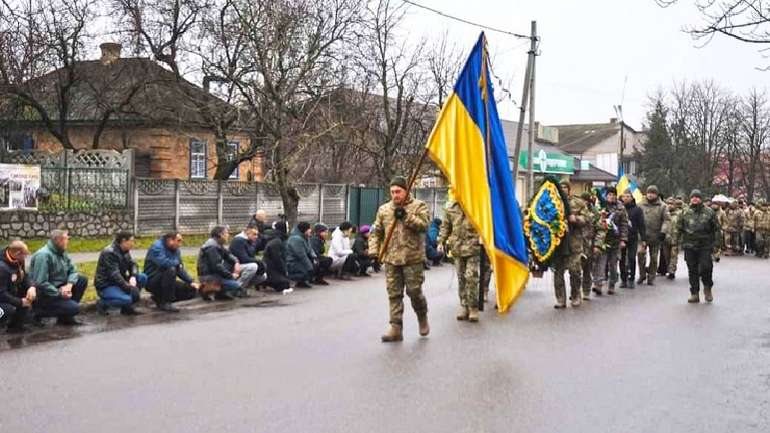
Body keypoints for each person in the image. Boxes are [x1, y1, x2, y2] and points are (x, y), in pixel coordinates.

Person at [369, 176, 430, 342]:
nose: (395, 195)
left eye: (398, 191)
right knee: (394, 294)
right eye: (392, 192)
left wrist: (406, 217)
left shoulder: (419, 206)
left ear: (406, 191)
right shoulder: (384, 210)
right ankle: (396, 327)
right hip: (391, 259)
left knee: (414, 292)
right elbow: (376, 232)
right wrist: (374, 252)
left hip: (412, 258)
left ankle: (422, 316)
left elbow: (424, 226)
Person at [29, 230, 88, 326]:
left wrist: (69, 286)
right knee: (74, 308)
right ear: (58, 240)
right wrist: (59, 293)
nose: (68, 241)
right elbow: (41, 282)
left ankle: (65, 317)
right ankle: (37, 312)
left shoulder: (61, 252)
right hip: (45, 295)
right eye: (66, 239)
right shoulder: (43, 256)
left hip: (60, 288)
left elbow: (73, 270)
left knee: (82, 280)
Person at [437, 199, 483, 322]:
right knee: (461, 278)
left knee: (471, 277)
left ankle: (473, 307)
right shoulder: (450, 207)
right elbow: (445, 226)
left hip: (473, 246)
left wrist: (484, 237)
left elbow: (485, 223)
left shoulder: (477, 204)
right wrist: (441, 241)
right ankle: (464, 306)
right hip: (457, 247)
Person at [552, 180, 592, 308]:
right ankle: (560, 299)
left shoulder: (578, 202)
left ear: (569, 189)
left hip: (574, 242)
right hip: (558, 243)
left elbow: (588, 218)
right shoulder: (552, 202)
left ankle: (576, 296)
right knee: (558, 272)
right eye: (561, 187)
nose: (563, 189)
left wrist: (577, 219)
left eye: (565, 187)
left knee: (575, 271)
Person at [677, 190, 721, 303]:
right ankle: (694, 293)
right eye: (693, 197)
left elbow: (716, 229)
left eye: (697, 197)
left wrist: (717, 244)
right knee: (692, 270)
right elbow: (678, 228)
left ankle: (707, 287)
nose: (695, 199)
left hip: (705, 245)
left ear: (701, 199)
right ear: (690, 199)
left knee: (706, 267)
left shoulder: (709, 212)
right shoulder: (684, 212)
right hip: (689, 246)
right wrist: (675, 242)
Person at [144, 232, 199, 313]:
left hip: (167, 280)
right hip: (152, 280)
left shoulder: (176, 250)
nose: (180, 244)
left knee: (191, 290)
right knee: (171, 270)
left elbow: (180, 269)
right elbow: (163, 263)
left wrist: (191, 281)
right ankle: (166, 302)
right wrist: (177, 264)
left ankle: (159, 298)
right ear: (170, 240)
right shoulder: (157, 247)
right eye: (178, 241)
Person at [94, 231, 146, 315]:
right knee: (126, 299)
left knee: (142, 277)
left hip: (119, 281)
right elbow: (114, 274)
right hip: (107, 285)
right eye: (131, 241)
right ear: (123, 241)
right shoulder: (110, 253)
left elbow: (133, 264)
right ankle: (103, 303)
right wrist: (130, 288)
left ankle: (127, 307)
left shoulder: (125, 250)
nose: (133, 244)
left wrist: (133, 276)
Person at [593, 187, 628, 296]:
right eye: (609, 195)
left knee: (613, 265)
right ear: (606, 196)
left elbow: (624, 224)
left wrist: (623, 240)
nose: (611, 197)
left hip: (615, 241)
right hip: (603, 240)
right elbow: (595, 222)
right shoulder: (601, 206)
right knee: (601, 264)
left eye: (613, 195)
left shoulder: (621, 208)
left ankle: (612, 285)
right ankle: (598, 285)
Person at [197, 225, 243, 301]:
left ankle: (220, 292)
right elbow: (216, 266)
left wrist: (236, 262)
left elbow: (229, 255)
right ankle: (205, 289)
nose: (228, 235)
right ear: (220, 235)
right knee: (235, 285)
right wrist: (230, 275)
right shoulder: (212, 247)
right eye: (226, 233)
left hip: (214, 273)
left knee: (233, 270)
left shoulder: (218, 245)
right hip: (208, 275)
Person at [0, 240, 37, 333]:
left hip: (10, 292)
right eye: (25, 254)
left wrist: (31, 287)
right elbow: (1, 294)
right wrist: (20, 302)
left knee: (32, 294)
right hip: (2, 298)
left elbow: (24, 276)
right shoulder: (2, 268)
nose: (26, 256)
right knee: (8, 309)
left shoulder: (18, 260)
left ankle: (16, 326)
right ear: (17, 253)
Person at [637, 185, 670, 286]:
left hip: (656, 236)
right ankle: (642, 274)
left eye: (653, 193)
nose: (650, 195)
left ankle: (651, 276)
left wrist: (663, 232)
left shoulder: (662, 206)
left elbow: (667, 220)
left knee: (654, 258)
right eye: (649, 193)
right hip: (642, 236)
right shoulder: (640, 205)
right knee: (640, 254)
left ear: (656, 194)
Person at [621, 191, 646, 288]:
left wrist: (644, 239)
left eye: (628, 196)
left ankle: (631, 278)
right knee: (622, 259)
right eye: (624, 196)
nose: (626, 198)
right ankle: (623, 279)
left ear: (632, 198)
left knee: (632, 258)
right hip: (622, 238)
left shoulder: (637, 210)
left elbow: (641, 225)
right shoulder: (620, 209)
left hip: (633, 237)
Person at [262, 221, 293, 292]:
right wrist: (284, 270)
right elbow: (277, 259)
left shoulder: (278, 239)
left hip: (273, 267)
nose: (288, 229)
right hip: (270, 268)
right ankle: (265, 281)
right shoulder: (277, 241)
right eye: (287, 227)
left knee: (286, 283)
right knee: (284, 285)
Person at [287, 222, 318, 288]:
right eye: (309, 228)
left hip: (299, 261)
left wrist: (315, 258)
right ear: (304, 229)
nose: (310, 230)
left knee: (316, 265)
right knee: (309, 271)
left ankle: (303, 281)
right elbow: (301, 255)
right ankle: (288, 277)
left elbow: (310, 249)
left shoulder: (305, 237)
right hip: (292, 262)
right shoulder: (296, 239)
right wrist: (310, 268)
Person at [661, 198, 683, 279]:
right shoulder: (664, 214)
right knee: (667, 256)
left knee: (673, 256)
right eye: (668, 203)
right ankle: (668, 269)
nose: (669, 205)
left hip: (675, 238)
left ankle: (672, 271)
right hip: (665, 239)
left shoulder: (679, 214)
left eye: (671, 204)